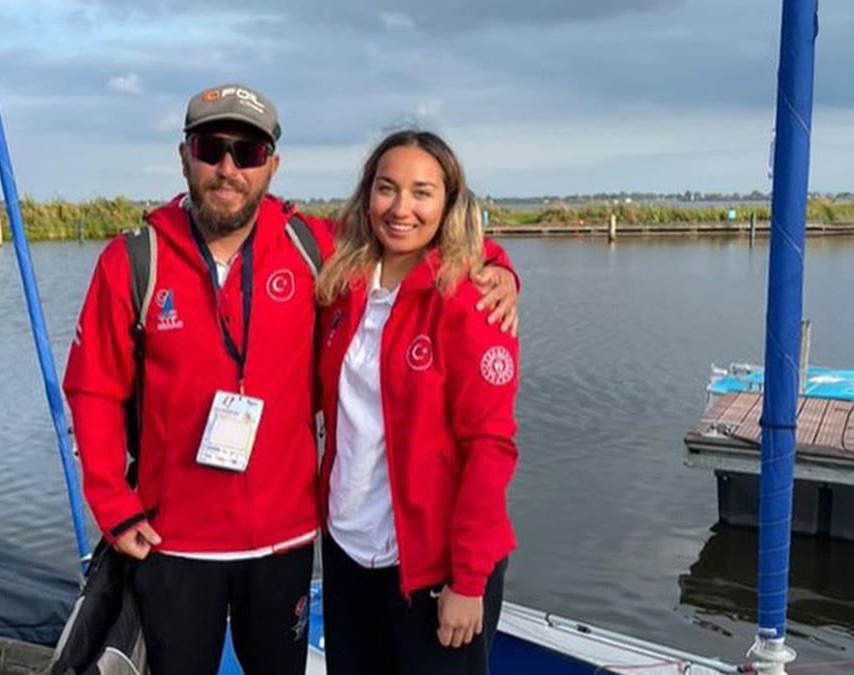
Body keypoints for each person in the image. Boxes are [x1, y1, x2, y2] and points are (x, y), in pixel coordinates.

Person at [62, 85, 518, 675]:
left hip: (285, 539)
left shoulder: (309, 247)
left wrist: (497, 269)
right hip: (175, 539)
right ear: (185, 157)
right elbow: (93, 388)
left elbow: (420, 245)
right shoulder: (133, 260)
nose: (228, 168)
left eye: (248, 153)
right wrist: (113, 505)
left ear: (271, 166)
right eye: (212, 148)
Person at [314, 129, 520, 675]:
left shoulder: (472, 300)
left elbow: (490, 447)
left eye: (422, 192)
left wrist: (468, 579)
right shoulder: (343, 284)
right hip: (349, 550)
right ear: (367, 196)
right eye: (387, 189)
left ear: (448, 204)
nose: (401, 208)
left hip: (433, 564)